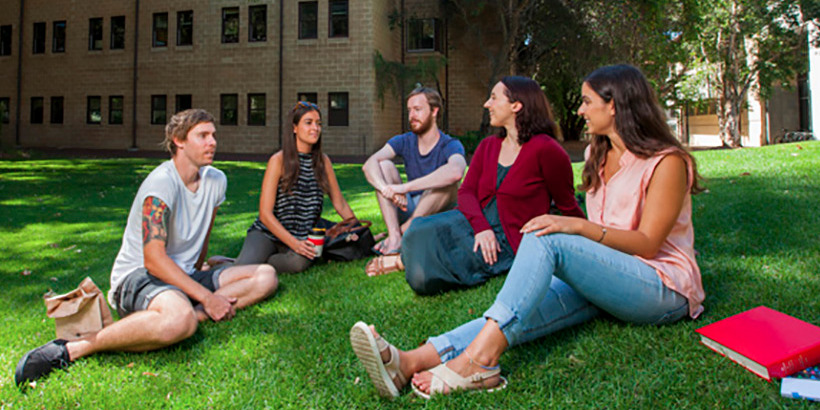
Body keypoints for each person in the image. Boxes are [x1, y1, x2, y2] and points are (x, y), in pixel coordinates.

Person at [350, 64, 705, 398]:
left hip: (660, 287)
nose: (579, 110)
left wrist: (576, 226)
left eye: (586, 102)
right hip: (609, 277)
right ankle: (410, 361)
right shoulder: (599, 156)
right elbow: (470, 192)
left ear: (614, 107)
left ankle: (480, 364)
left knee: (543, 237)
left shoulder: (667, 162)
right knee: (512, 310)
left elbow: (647, 243)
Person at [15, 109, 278, 387]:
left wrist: (200, 269)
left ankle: (186, 314)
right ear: (179, 140)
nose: (212, 142)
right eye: (202, 136)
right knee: (180, 321)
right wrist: (208, 296)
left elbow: (203, 236)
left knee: (266, 276)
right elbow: (153, 260)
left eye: (213, 135)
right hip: (138, 276)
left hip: (182, 275)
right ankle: (77, 346)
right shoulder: (161, 183)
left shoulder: (216, 180)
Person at [376, 76, 584, 293]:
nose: (487, 104)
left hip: (507, 241)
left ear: (516, 105)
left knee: (424, 280)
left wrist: (589, 237)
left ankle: (400, 262)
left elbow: (567, 205)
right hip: (475, 222)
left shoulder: (547, 150)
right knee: (418, 230)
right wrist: (482, 228)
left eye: (493, 98)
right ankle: (407, 259)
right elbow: (466, 191)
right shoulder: (488, 146)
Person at [233, 101, 361, 273]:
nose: (315, 128)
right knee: (241, 270)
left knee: (299, 263)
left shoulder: (323, 162)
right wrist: (294, 244)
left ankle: (260, 263)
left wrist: (360, 232)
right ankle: (228, 264)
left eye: (318, 123)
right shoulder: (278, 160)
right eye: (308, 123)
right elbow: (265, 214)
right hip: (267, 234)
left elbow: (341, 204)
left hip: (302, 236)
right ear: (294, 128)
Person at [362, 87, 467, 262]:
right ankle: (395, 237)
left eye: (418, 110)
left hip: (435, 211)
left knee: (447, 183)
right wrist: (386, 189)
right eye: (409, 110)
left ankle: (403, 232)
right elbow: (369, 164)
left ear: (434, 111)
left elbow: (456, 172)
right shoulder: (404, 140)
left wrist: (404, 187)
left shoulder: (450, 144)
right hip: (408, 206)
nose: (412, 115)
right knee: (384, 165)